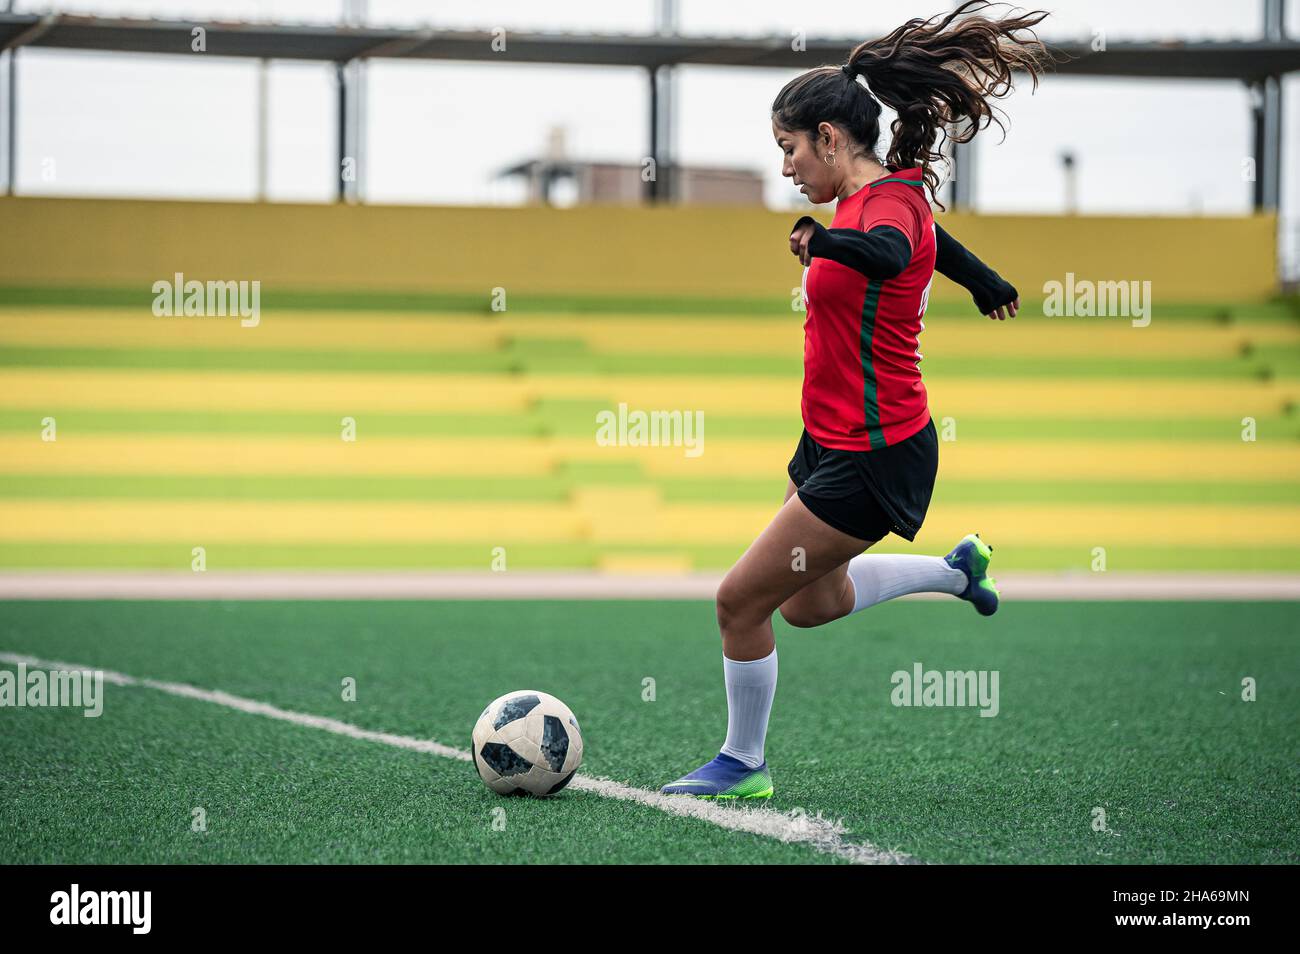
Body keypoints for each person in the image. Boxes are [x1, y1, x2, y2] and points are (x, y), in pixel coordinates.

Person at [661, 1, 1050, 800]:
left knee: (738, 601)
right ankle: (955, 572)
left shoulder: (881, 212)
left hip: (878, 453)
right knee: (810, 604)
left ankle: (743, 764)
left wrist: (822, 240)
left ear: (830, 140)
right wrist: (986, 283)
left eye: (789, 148)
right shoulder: (871, 202)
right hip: (826, 441)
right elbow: (934, 247)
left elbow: (887, 251)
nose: (785, 167)